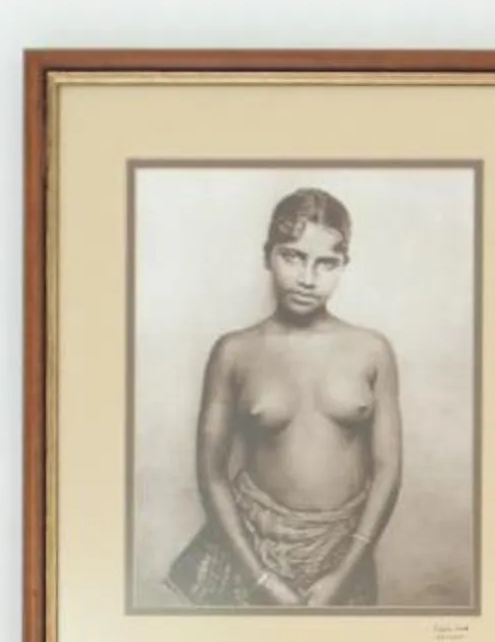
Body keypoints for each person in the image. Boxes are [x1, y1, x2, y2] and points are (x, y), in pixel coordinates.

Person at [167, 188, 403, 610]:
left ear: (343, 265)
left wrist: (344, 573)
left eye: (326, 263)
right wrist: (258, 576)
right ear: (267, 256)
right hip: (251, 548)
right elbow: (211, 473)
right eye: (292, 256)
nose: (308, 278)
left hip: (343, 552)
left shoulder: (373, 351)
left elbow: (388, 470)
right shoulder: (234, 352)